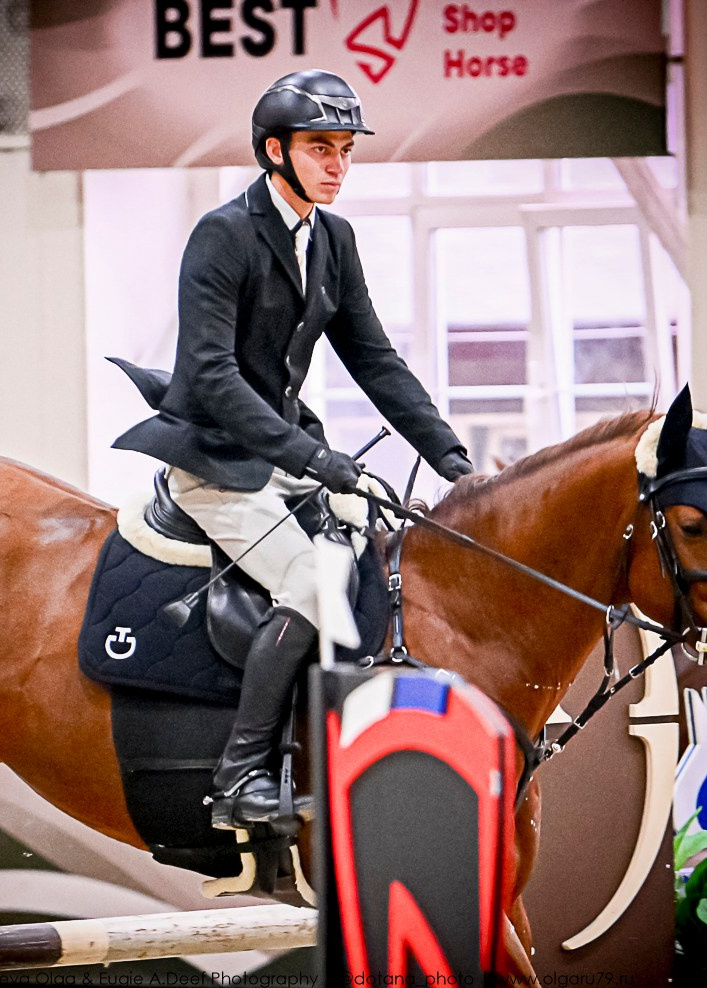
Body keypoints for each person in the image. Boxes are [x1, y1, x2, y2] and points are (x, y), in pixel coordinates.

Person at [112, 69, 474, 830]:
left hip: (280, 452)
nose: (338, 165)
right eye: (320, 149)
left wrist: (451, 459)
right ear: (274, 151)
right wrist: (314, 460)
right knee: (312, 584)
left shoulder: (332, 239)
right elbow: (210, 376)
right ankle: (238, 778)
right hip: (215, 459)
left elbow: (375, 359)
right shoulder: (223, 234)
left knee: (371, 555)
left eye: (345, 150)